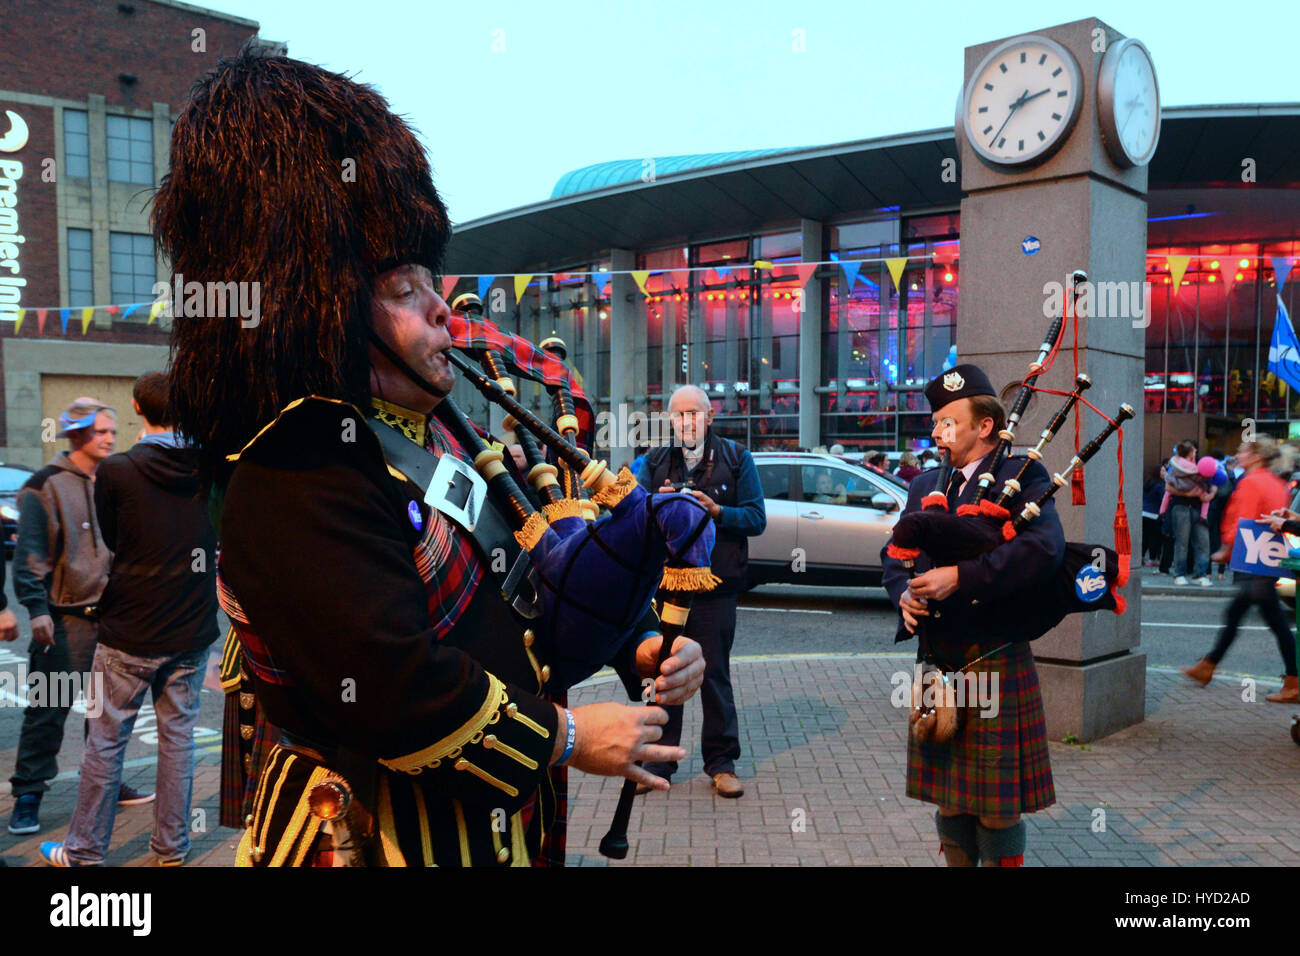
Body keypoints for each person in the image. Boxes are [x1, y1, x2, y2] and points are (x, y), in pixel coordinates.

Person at [154, 46, 703, 867]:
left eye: (429, 284)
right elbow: (391, 684)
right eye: (407, 292)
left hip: (480, 823)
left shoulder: (435, 429)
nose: (444, 312)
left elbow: (522, 588)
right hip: (367, 833)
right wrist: (568, 737)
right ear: (328, 309)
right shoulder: (291, 473)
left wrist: (634, 646)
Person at [882, 364, 1065, 867]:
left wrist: (960, 578)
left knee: (996, 809)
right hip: (938, 660)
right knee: (950, 797)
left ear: (984, 425)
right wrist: (903, 591)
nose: (937, 432)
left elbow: (1044, 550)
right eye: (935, 421)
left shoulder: (1022, 475)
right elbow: (893, 554)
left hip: (993, 658)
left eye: (948, 421)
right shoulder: (924, 484)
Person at [39, 372, 220, 866]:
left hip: (131, 629)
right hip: (193, 624)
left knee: (105, 741)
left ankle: (84, 851)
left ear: (138, 408)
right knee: (178, 740)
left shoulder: (118, 470)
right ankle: (172, 848)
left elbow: (114, 539)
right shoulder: (208, 463)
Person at [7, 399, 152, 836]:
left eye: (112, 430)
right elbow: (29, 555)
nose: (110, 437)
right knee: (48, 710)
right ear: (75, 434)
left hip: (113, 621)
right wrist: (36, 611)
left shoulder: (113, 480)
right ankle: (28, 795)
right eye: (100, 431)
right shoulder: (43, 485)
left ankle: (107, 784)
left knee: (106, 714)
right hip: (65, 621)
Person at [634, 384, 767, 798]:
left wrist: (718, 511)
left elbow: (757, 518)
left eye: (695, 413)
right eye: (679, 415)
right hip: (665, 589)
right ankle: (658, 761)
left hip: (717, 587)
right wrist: (655, 503)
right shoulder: (653, 460)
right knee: (663, 673)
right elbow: (627, 511)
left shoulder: (737, 457)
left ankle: (721, 763)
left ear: (710, 417)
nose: (687, 421)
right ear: (670, 420)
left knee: (714, 675)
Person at [1184, 438, 1297, 702]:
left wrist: (1225, 549)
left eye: (1243, 450)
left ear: (1256, 456)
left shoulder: (1251, 482)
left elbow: (1242, 523)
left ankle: (1294, 680)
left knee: (1272, 621)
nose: (1238, 454)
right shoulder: (1278, 483)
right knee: (1241, 615)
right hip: (1267, 559)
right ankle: (1208, 666)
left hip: (1251, 559)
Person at [1164, 440, 1213, 586]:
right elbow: (1169, 487)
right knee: (1183, 542)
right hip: (1182, 506)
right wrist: (1192, 493)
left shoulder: (1198, 468)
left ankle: (1200, 573)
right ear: (1189, 452)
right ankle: (1180, 573)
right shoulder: (1176, 468)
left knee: (1202, 542)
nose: (1196, 453)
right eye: (1194, 450)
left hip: (1194, 507)